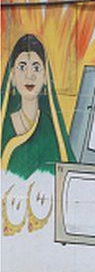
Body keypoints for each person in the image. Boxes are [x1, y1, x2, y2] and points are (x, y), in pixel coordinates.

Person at [1, 34, 74, 179]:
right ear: (13, 77)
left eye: (36, 68)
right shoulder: (4, 127)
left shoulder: (53, 131)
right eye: (22, 67)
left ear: (46, 78)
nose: (30, 76)